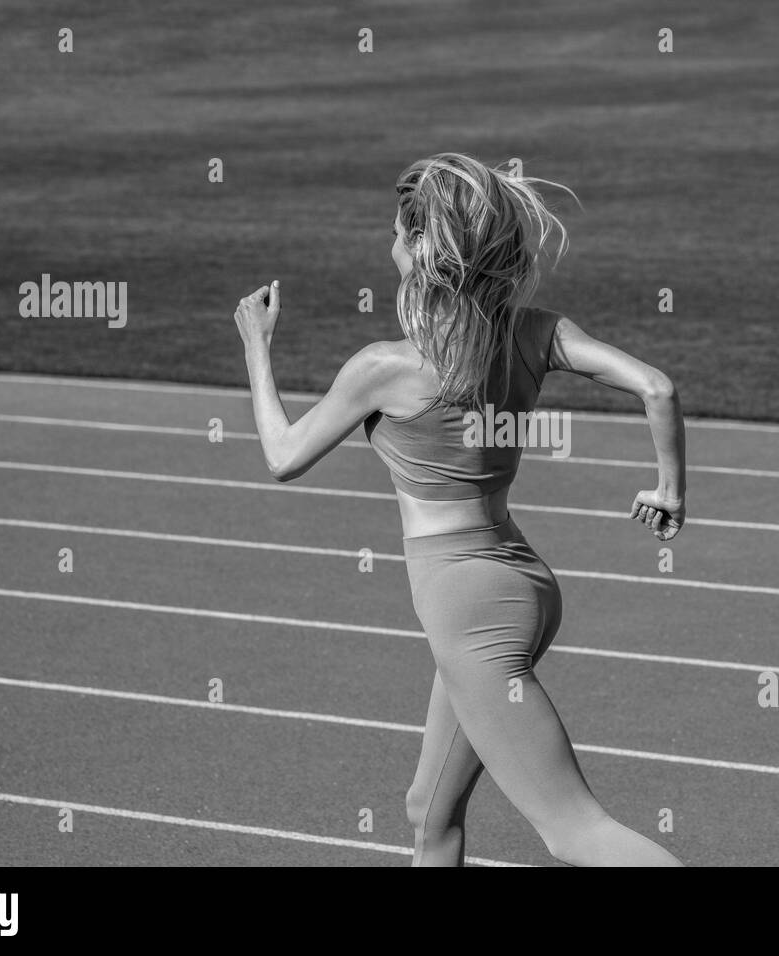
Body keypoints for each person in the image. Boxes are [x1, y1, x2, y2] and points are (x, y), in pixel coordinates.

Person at [233, 153, 686, 866]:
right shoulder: (536, 331)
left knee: (575, 831)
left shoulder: (387, 366)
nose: (388, 241)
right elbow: (656, 387)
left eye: (396, 231)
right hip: (521, 582)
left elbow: (283, 457)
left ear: (420, 247)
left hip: (468, 608)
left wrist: (258, 349)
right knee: (429, 811)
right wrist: (669, 490)